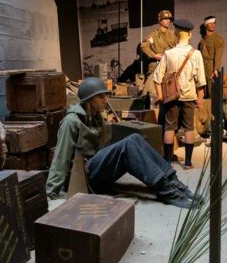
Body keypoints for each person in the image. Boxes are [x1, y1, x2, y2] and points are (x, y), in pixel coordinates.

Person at [46, 77, 195, 208]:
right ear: (89, 99)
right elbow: (61, 156)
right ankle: (166, 191)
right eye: (100, 97)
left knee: (135, 138)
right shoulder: (71, 121)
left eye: (105, 96)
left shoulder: (97, 118)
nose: (105, 100)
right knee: (129, 144)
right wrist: (51, 190)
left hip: (95, 168)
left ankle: (173, 182)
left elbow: (104, 145)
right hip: (83, 178)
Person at [152, 18, 207, 169]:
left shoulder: (168, 54)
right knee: (189, 128)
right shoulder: (195, 54)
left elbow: (157, 77)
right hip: (189, 96)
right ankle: (188, 163)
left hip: (171, 97)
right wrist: (200, 99)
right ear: (189, 34)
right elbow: (200, 80)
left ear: (176, 33)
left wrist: (161, 96)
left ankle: (168, 162)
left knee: (169, 128)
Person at [198, 15, 224, 89]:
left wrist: (215, 69)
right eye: (210, 23)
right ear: (206, 25)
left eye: (214, 23)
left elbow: (218, 55)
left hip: (211, 66)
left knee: (211, 88)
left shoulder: (218, 39)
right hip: (202, 66)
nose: (213, 25)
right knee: (203, 88)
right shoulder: (202, 40)